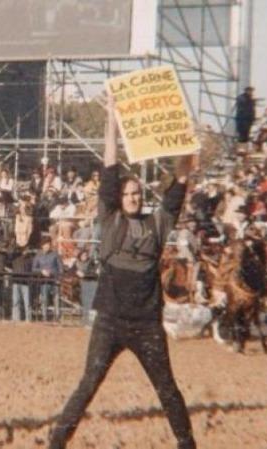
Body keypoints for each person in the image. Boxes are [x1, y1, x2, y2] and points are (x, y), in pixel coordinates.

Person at [49, 97, 196, 449]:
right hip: (110, 322)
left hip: (147, 325)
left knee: (167, 388)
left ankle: (187, 444)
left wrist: (185, 140)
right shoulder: (110, 219)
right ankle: (56, 442)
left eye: (136, 193)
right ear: (118, 197)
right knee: (88, 383)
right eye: (127, 193)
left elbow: (181, 178)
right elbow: (110, 162)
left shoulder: (158, 223)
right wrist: (112, 119)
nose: (132, 197)